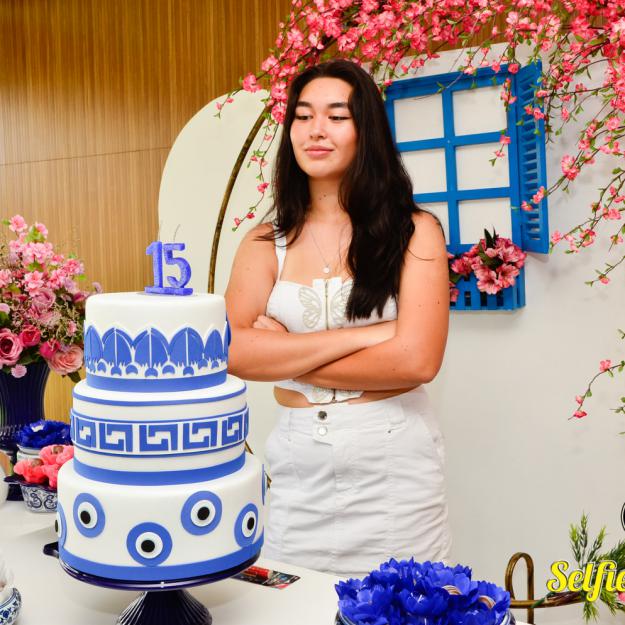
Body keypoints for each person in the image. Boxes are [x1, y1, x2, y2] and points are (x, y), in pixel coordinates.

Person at [225, 59, 451, 578]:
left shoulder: (414, 231)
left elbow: (416, 361)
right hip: (298, 467)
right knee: (290, 605)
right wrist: (375, 335)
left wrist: (283, 355)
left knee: (405, 605)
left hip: (394, 469)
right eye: (303, 116)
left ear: (365, 130)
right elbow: (232, 351)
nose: (316, 130)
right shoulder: (263, 241)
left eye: (336, 116)